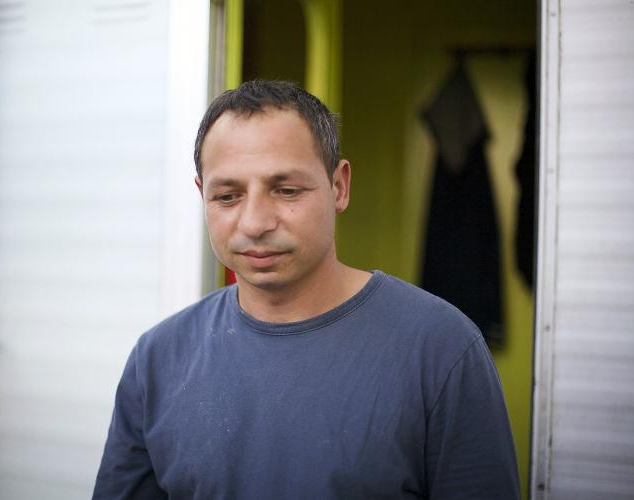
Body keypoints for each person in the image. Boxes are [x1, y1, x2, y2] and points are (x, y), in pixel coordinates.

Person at [92, 80, 520, 499]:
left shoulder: (442, 349)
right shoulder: (157, 360)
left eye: (286, 191)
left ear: (339, 187)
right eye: (227, 196)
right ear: (202, 195)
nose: (255, 222)